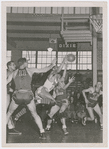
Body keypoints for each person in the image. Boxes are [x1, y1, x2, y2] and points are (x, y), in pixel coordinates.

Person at [7, 57, 56, 139]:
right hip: (27, 95)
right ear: (24, 63)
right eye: (27, 62)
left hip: (17, 95)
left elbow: (4, 82)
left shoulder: (14, 73)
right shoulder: (30, 70)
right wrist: (52, 64)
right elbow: (44, 70)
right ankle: (42, 132)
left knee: (9, 113)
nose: (28, 63)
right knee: (35, 114)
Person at [45, 62, 75, 135]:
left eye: (58, 75)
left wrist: (65, 67)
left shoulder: (62, 81)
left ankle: (64, 128)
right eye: (56, 76)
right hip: (58, 101)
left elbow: (64, 86)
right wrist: (52, 99)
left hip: (64, 101)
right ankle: (48, 126)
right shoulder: (55, 86)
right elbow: (54, 96)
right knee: (50, 114)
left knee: (61, 111)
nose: (58, 77)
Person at [7, 61, 22, 135]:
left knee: (7, 111)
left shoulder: (11, 73)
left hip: (7, 94)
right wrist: (10, 89)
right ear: (9, 66)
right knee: (7, 111)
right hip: (5, 94)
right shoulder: (8, 73)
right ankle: (10, 127)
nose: (15, 66)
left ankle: (10, 127)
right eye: (13, 65)